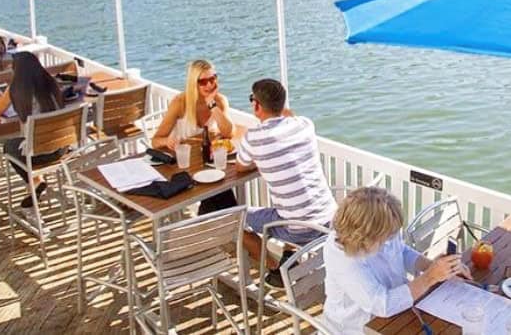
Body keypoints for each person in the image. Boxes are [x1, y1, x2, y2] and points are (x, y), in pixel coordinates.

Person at [322, 187, 472, 334]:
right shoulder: (344, 260)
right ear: (364, 237)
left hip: (398, 310)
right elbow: (382, 304)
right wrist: (431, 276)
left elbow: (402, 250)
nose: (390, 239)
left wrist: (432, 266)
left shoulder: (382, 230)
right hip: (358, 327)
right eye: (386, 237)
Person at [235, 78, 337, 287]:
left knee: (235, 221)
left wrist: (261, 160)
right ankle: (290, 261)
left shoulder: (254, 138)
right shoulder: (305, 125)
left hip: (299, 228)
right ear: (283, 103)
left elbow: (240, 167)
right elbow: (291, 116)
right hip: (330, 219)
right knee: (286, 209)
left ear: (256, 105)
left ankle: (277, 271)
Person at [152, 59, 236, 213]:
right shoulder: (180, 103)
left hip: (208, 166)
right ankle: (230, 227)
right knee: (220, 194)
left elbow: (229, 133)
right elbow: (155, 141)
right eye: (203, 81)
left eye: (212, 79)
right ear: (193, 83)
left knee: (219, 190)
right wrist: (168, 140)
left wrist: (212, 105)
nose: (209, 85)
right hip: (184, 170)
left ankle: (223, 227)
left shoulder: (219, 101)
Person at [0, 52, 63, 208]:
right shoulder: (51, 84)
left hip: (38, 152)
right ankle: (37, 182)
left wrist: (0, 98)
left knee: (9, 147)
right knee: (26, 142)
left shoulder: (16, 89)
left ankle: (36, 181)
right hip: (62, 148)